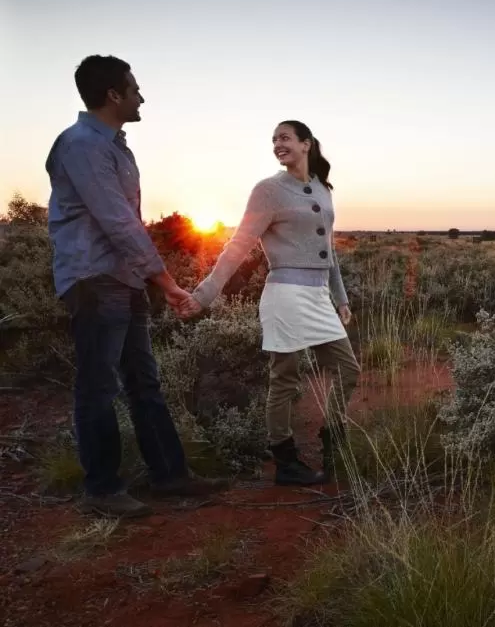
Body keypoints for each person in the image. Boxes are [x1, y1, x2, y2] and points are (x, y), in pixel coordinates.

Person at [46, 55, 231, 518]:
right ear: (113, 95)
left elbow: (125, 225)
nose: (141, 95)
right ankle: (102, 490)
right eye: (134, 88)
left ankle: (170, 475)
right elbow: (119, 224)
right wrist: (168, 284)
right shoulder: (82, 146)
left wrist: (147, 279)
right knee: (99, 386)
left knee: (143, 381)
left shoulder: (113, 146)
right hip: (94, 278)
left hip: (123, 279)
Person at [187, 120, 359, 486]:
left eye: (285, 138)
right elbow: (238, 245)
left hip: (318, 297)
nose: (277, 144)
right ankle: (286, 462)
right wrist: (205, 294)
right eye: (274, 140)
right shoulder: (267, 191)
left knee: (348, 368)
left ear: (306, 144)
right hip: (285, 295)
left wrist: (340, 299)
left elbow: (328, 252)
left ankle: (332, 437)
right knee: (285, 378)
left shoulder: (322, 190)